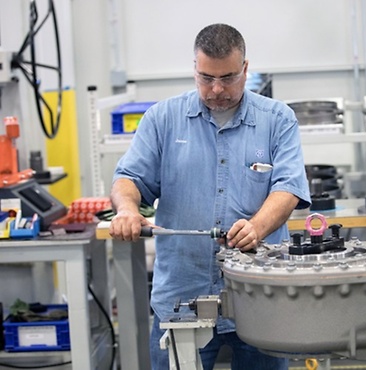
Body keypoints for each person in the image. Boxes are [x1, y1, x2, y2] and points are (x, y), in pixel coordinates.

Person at [109, 23, 311, 370]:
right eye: (206, 78)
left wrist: (257, 228)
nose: (216, 89)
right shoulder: (163, 119)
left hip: (258, 299)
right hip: (182, 300)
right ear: (194, 69)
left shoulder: (277, 119)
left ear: (246, 69)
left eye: (228, 78)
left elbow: (289, 187)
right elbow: (128, 178)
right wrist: (127, 210)